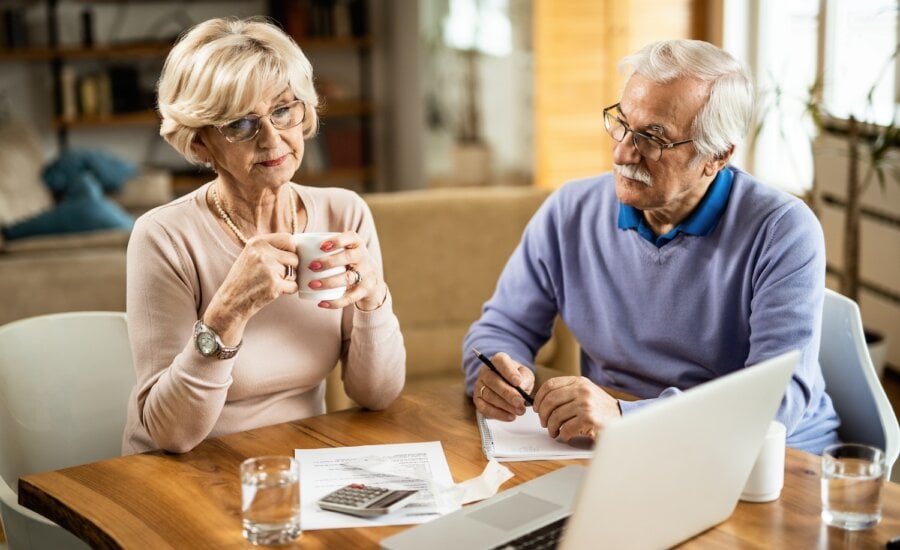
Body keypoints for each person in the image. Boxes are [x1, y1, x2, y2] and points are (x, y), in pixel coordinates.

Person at [463, 39, 840, 454]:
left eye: (654, 138)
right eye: (622, 123)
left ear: (717, 156)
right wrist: (499, 373)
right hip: (620, 449)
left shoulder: (783, 229)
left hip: (762, 458)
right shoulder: (570, 211)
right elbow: (501, 327)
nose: (624, 151)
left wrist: (627, 417)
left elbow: (775, 403)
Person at [122, 17, 405, 454]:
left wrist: (374, 300)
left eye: (283, 109)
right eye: (240, 124)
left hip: (298, 463)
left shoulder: (343, 212)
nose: (273, 138)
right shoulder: (163, 236)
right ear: (200, 144)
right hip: (183, 472)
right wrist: (227, 313)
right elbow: (171, 434)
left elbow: (376, 395)